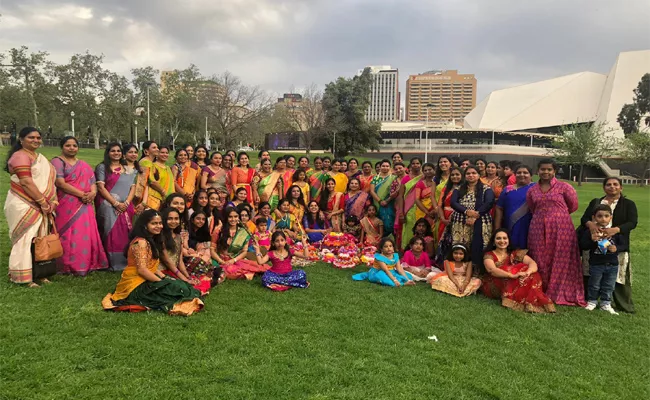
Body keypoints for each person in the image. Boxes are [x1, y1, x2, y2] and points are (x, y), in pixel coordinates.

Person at [101, 209, 204, 316]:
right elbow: (142, 270)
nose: (158, 226)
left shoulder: (151, 240)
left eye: (160, 223)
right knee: (176, 290)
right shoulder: (141, 243)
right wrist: (161, 283)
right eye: (154, 223)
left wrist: (166, 279)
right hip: (135, 285)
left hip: (147, 279)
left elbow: (152, 267)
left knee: (180, 286)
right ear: (145, 225)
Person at [527, 158, 585, 307]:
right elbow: (532, 207)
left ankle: (558, 291)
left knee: (560, 258)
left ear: (554, 171)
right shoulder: (532, 190)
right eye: (543, 169)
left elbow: (573, 206)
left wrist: (556, 216)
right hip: (538, 227)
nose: (545, 172)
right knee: (539, 257)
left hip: (561, 228)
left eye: (549, 169)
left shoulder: (565, 187)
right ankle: (542, 289)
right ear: (538, 171)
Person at [4, 127, 58, 286]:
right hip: (23, 202)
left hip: (43, 204)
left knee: (41, 238)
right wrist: (42, 202)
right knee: (25, 238)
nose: (35, 140)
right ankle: (23, 277)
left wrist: (52, 201)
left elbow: (49, 182)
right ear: (21, 139)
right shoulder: (19, 156)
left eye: (38, 137)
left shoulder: (40, 158)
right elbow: (26, 182)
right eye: (31, 137)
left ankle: (41, 273)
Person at [51, 136, 108, 275]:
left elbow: (92, 182)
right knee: (66, 233)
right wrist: (83, 194)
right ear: (62, 147)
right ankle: (65, 265)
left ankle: (87, 263)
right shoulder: (57, 162)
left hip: (85, 204)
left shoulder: (84, 164)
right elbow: (60, 183)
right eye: (68, 145)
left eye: (74, 146)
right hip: (67, 203)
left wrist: (93, 193)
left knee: (84, 233)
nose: (71, 148)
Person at [579, 177, 638, 313]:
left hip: (617, 242)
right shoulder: (596, 202)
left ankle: (618, 303)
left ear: (621, 187)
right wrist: (591, 225)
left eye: (615, 184)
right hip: (595, 243)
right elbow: (584, 218)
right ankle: (591, 299)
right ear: (604, 187)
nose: (612, 187)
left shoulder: (628, 204)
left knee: (617, 275)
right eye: (608, 184)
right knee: (593, 272)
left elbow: (632, 222)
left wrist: (615, 230)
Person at [482, 229, 556, 313]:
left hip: (516, 280)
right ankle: (519, 300)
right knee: (512, 269)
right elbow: (492, 270)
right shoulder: (489, 255)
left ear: (509, 240)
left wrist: (527, 273)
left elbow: (532, 263)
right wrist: (512, 275)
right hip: (496, 283)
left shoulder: (515, 253)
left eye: (504, 238)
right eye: (498, 238)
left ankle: (528, 301)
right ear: (493, 241)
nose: (502, 241)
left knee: (532, 273)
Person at [95, 143, 136, 271]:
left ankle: (125, 261)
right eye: (113, 151)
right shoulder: (102, 167)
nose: (116, 153)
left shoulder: (128, 169)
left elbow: (132, 188)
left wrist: (127, 203)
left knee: (124, 233)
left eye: (118, 150)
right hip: (108, 205)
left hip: (126, 206)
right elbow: (101, 188)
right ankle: (109, 262)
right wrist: (116, 203)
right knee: (110, 232)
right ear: (108, 153)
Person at [450, 166, 494, 274]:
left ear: (479, 175)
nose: (471, 175)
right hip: (461, 221)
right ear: (465, 176)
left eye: (474, 173)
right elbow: (453, 203)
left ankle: (478, 271)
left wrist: (475, 215)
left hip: (481, 221)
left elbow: (489, 202)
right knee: (461, 245)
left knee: (480, 245)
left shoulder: (486, 189)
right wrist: (466, 211)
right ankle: (460, 271)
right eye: (468, 173)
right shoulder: (459, 189)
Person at [580, 205, 620, 314]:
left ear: (611, 217)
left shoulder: (614, 231)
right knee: (594, 284)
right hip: (596, 264)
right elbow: (583, 245)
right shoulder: (591, 231)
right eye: (600, 216)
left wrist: (616, 248)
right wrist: (592, 240)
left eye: (606, 216)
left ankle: (605, 303)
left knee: (609, 285)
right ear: (594, 218)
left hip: (612, 264)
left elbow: (623, 244)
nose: (603, 219)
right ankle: (592, 301)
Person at [214, 207, 269, 280]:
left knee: (255, 266)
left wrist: (233, 260)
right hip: (220, 259)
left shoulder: (243, 232)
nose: (233, 219)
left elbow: (244, 251)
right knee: (228, 270)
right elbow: (212, 249)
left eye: (235, 216)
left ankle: (250, 273)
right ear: (226, 217)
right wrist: (221, 261)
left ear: (239, 218)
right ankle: (249, 274)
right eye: (230, 217)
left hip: (235, 259)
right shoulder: (219, 230)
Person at [494, 165, 535, 249]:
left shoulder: (536, 188)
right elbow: (499, 208)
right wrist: (497, 228)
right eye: (518, 173)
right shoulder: (507, 189)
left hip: (529, 225)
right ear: (515, 175)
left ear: (531, 175)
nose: (522, 175)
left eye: (525, 173)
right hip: (509, 225)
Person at [435, 167, 463, 266]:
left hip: (459, 218)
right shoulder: (446, 189)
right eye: (453, 175)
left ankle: (456, 265)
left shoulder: (464, 189)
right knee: (443, 241)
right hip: (445, 218)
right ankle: (443, 264)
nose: (455, 177)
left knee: (456, 240)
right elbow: (439, 205)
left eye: (457, 174)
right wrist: (442, 218)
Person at [397, 158, 423, 249]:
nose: (415, 165)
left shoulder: (424, 177)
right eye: (413, 163)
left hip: (422, 208)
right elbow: (400, 196)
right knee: (408, 231)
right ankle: (408, 250)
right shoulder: (406, 178)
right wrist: (401, 212)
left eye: (418, 163)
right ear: (410, 165)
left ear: (421, 165)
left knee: (421, 230)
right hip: (408, 209)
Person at [370, 160, 397, 237]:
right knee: (379, 223)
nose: (385, 168)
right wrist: (380, 201)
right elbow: (372, 191)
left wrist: (387, 201)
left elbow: (395, 191)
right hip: (378, 203)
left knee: (390, 222)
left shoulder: (394, 178)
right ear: (380, 167)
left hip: (390, 204)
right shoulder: (375, 178)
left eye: (387, 166)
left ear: (390, 167)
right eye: (383, 166)